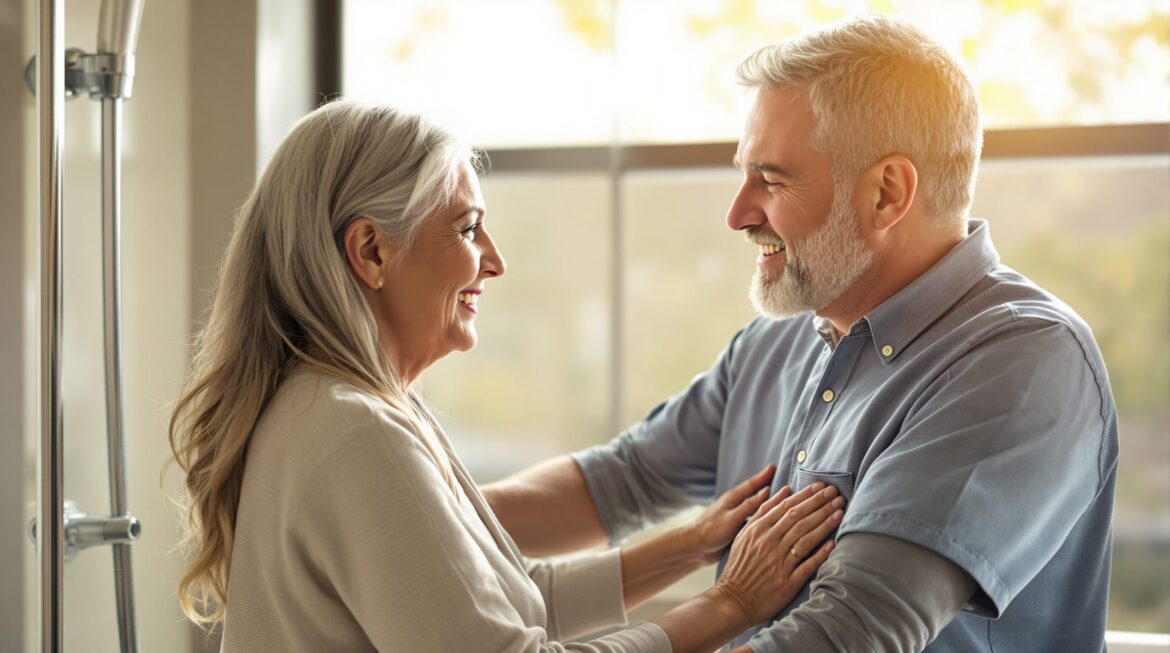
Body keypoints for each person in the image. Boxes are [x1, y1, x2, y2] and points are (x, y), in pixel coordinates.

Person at [484, 14, 1119, 653]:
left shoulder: (1022, 361)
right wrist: (412, 506)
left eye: (773, 178)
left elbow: (845, 636)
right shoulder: (775, 345)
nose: (737, 214)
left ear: (886, 194)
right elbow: (618, 484)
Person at [167, 100, 847, 653]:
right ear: (371, 251)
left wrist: (693, 547)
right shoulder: (354, 430)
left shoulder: (362, 405)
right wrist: (730, 604)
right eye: (468, 229)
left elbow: (515, 600)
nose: (493, 262)